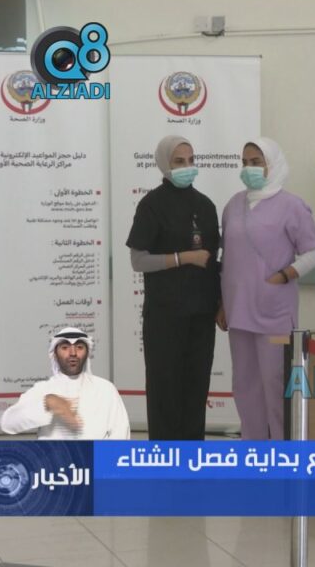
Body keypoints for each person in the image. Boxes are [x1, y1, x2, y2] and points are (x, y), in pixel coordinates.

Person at [219, 137, 315, 440]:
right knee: (245, 387)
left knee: (276, 386)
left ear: (272, 165)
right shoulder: (233, 205)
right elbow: (228, 257)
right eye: (244, 162)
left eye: (256, 162)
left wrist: (285, 275)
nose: (248, 168)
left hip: (274, 312)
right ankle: (254, 449)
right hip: (238, 311)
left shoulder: (292, 206)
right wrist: (222, 303)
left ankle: (282, 452)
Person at [126, 135, 220, 440]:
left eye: (191, 160)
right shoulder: (151, 205)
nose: (187, 166)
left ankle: (193, 458)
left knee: (196, 390)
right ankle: (164, 458)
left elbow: (215, 260)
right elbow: (139, 260)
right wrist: (182, 258)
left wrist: (221, 304)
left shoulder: (205, 205)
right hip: (164, 316)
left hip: (201, 315)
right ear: (165, 163)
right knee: (164, 391)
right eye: (179, 161)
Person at [0, 327, 130, 439]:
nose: (73, 353)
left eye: (79, 347)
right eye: (65, 348)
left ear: (87, 353)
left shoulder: (106, 389)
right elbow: (7, 423)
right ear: (55, 354)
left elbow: (120, 438)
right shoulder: (43, 390)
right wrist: (47, 403)